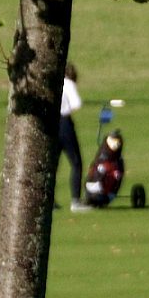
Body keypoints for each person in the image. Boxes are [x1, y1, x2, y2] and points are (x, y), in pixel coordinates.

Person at [52, 63, 84, 207]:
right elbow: (77, 103)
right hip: (64, 123)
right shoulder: (68, 84)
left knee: (54, 164)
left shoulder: (52, 83)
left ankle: (50, 200)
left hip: (51, 123)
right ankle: (75, 201)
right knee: (76, 162)